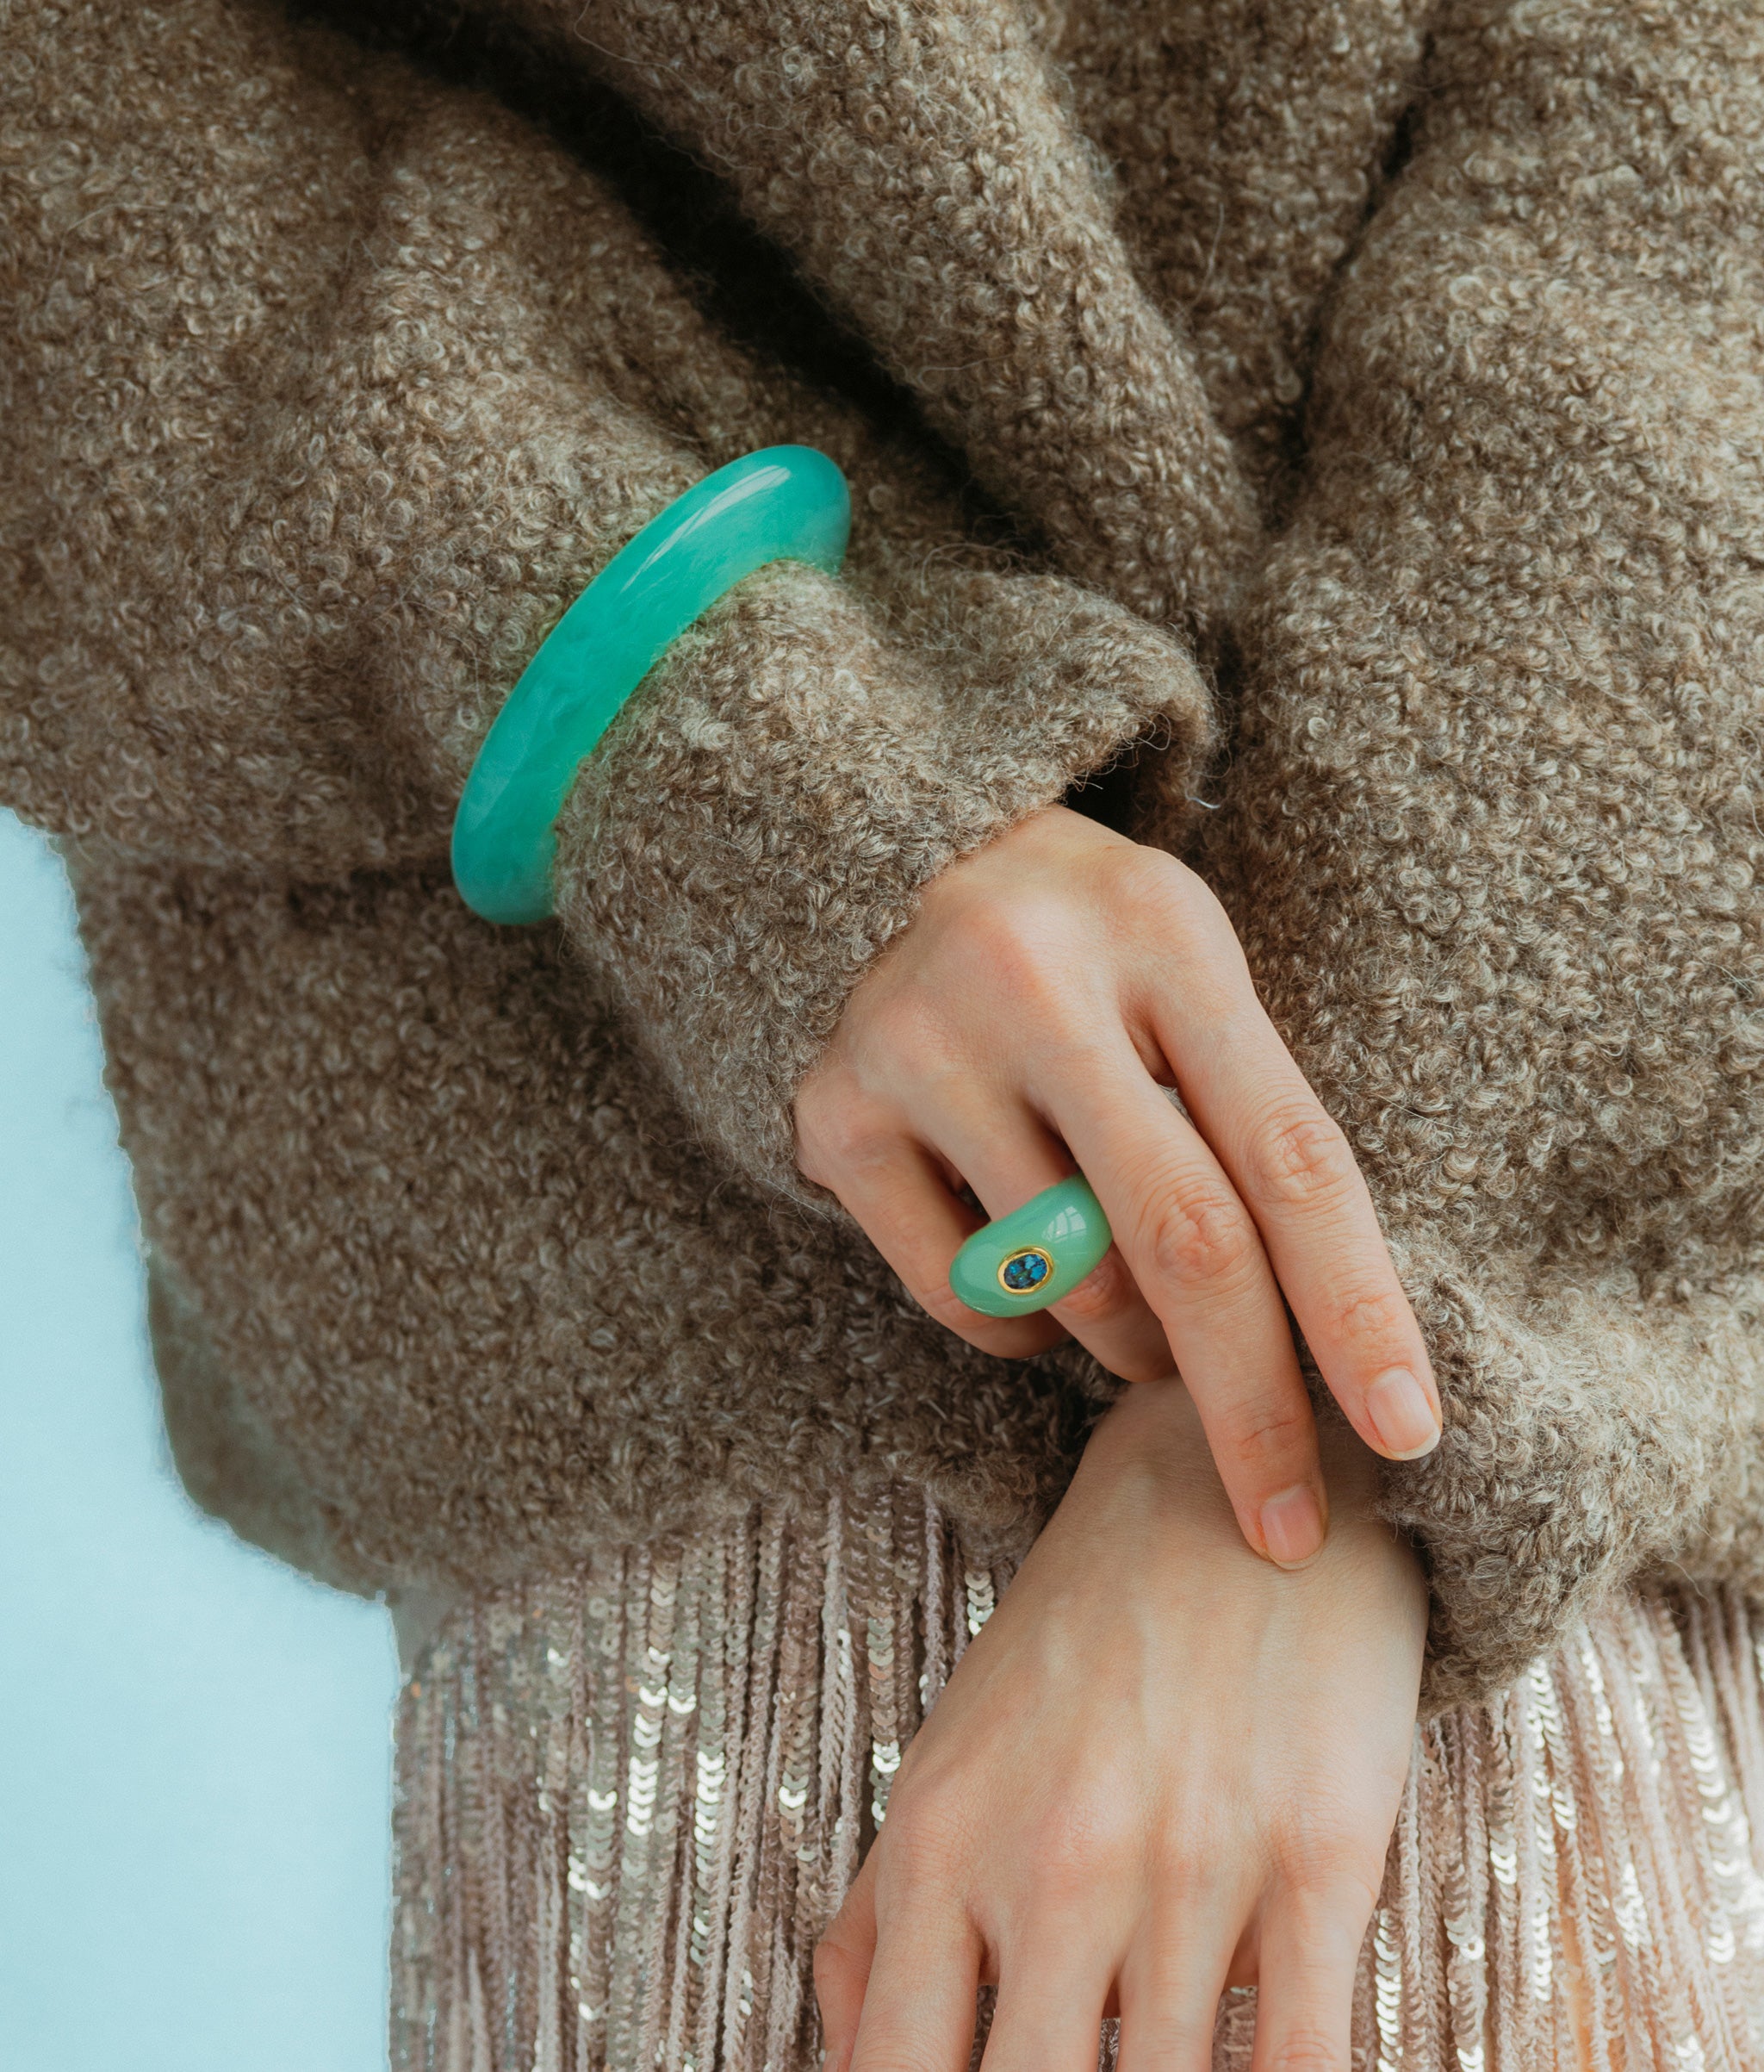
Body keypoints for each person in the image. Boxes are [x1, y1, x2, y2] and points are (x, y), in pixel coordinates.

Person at [6, 0, 1764, 2066]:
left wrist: (1330, 1389)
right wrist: (747, 758)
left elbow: (1687, 198)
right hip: (707, 1397)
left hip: (1557, 1367)